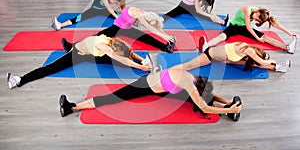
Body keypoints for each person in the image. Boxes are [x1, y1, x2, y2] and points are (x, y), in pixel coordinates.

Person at [59, 68, 243, 121]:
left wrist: (228, 102)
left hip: (154, 85)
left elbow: (204, 101)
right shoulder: (191, 86)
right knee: (112, 98)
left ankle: (71, 107)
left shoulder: (193, 79)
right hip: (147, 86)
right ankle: (71, 108)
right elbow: (203, 101)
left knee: (109, 98)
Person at [6, 34, 152, 89]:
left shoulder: (112, 41)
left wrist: (141, 60)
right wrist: (140, 67)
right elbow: (121, 58)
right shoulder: (104, 46)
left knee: (119, 60)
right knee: (50, 68)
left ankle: (69, 45)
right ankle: (19, 80)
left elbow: (127, 51)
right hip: (78, 53)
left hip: (90, 51)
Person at [62, 6, 176, 53]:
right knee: (96, 37)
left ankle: (166, 47)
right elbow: (151, 28)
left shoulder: (143, 13)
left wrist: (168, 37)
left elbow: (155, 27)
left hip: (127, 28)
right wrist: (167, 37)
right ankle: (72, 47)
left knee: (146, 38)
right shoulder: (140, 16)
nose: (141, 24)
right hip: (116, 28)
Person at [200, 6, 297, 54]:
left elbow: (275, 24)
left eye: (257, 20)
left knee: (265, 37)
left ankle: (287, 48)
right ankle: (206, 45)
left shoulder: (263, 14)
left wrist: (289, 33)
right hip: (234, 26)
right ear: (257, 12)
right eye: (256, 18)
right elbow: (248, 26)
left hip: (244, 28)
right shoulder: (248, 9)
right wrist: (257, 38)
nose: (255, 20)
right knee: (223, 36)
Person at [171, 41, 291, 73]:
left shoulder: (244, 47)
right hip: (209, 55)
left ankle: (278, 67)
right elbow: (262, 63)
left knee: (251, 63)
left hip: (223, 58)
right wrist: (271, 61)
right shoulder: (249, 51)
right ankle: (166, 71)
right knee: (187, 66)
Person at [52, 0, 126, 30]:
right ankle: (60, 25)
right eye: (114, 2)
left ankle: (132, 21)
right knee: (78, 18)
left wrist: (122, 12)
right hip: (93, 10)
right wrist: (117, 17)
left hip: (104, 11)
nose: (114, 4)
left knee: (119, 15)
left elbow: (120, 6)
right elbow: (109, 8)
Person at [162, 0, 228, 26]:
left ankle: (223, 22)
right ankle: (159, 20)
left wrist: (212, 15)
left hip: (191, 7)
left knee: (207, 15)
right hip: (182, 6)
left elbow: (208, 11)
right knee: (171, 14)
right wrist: (209, 15)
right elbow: (198, 11)